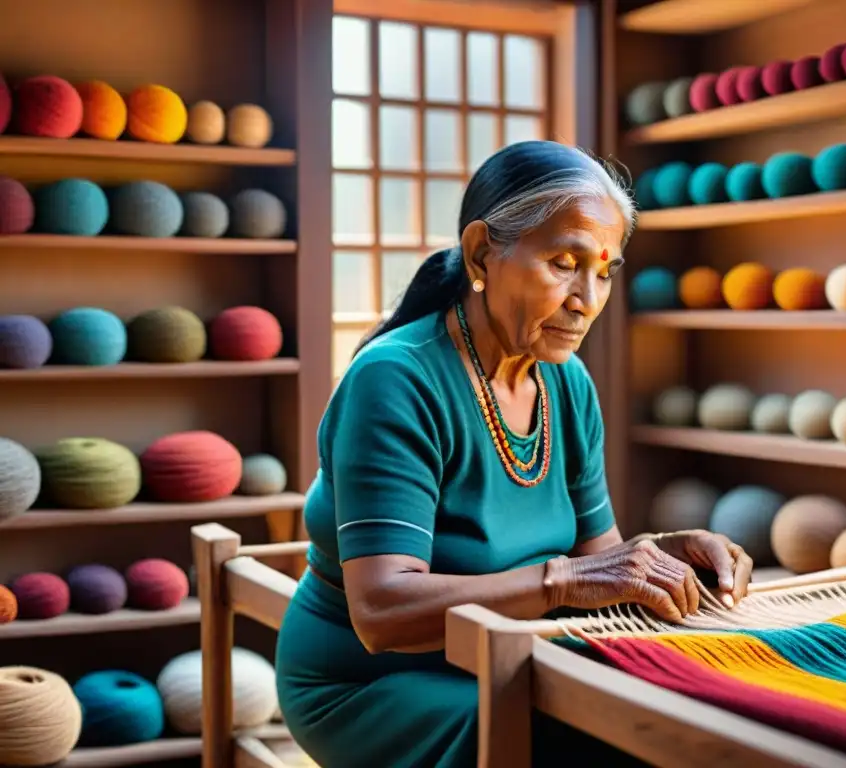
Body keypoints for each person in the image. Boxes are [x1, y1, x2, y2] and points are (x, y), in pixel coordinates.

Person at [275, 140, 754, 768]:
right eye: (564, 262)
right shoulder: (396, 380)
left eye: (605, 270)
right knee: (587, 735)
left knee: (694, 704)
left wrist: (664, 554)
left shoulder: (567, 384)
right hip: (374, 681)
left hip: (518, 648)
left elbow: (598, 563)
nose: (588, 298)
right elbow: (383, 612)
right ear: (481, 253)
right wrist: (563, 583)